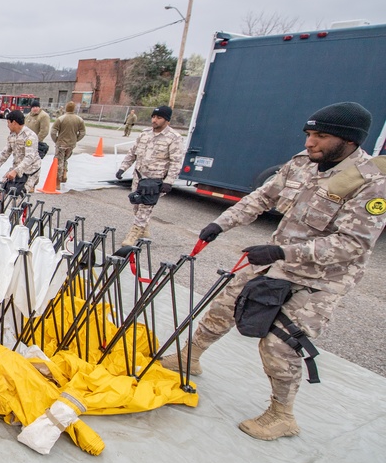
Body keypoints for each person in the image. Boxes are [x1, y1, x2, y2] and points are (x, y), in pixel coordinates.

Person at [159, 102, 386, 440]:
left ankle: (282, 415)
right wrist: (219, 224)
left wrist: (282, 250)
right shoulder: (301, 163)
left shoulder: (371, 183)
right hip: (276, 261)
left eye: (321, 136)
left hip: (321, 279)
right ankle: (190, 357)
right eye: (309, 134)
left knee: (280, 344)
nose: (310, 142)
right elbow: (261, 198)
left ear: (349, 141)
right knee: (225, 305)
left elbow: (352, 245)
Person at [115, 104, 183, 245]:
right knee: (136, 204)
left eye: (159, 118)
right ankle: (143, 227)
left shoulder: (174, 138)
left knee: (145, 206)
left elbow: (176, 161)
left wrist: (169, 181)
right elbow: (132, 153)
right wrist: (123, 168)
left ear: (167, 120)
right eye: (153, 117)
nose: (154, 120)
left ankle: (133, 235)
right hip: (139, 178)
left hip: (155, 181)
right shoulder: (144, 134)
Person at [0, 110, 42, 193]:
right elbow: (6, 152)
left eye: (8, 122)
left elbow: (30, 158)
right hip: (17, 167)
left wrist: (15, 171)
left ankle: (22, 204)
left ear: (14, 123)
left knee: (18, 194)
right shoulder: (12, 135)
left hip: (30, 170)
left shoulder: (30, 136)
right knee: (2, 189)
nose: (7, 125)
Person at [50, 101, 87, 184]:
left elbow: (53, 131)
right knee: (64, 159)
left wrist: (56, 140)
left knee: (58, 162)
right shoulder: (79, 119)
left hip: (61, 144)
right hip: (71, 144)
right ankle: (64, 173)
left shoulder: (61, 119)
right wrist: (76, 139)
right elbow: (82, 132)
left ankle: (57, 181)